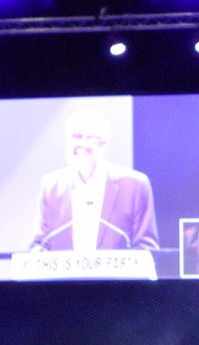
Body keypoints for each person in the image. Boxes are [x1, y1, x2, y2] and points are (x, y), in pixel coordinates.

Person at [30, 108, 159, 252]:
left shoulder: (134, 185)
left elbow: (146, 248)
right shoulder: (51, 186)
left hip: (115, 275)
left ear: (103, 144)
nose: (77, 145)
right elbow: (40, 245)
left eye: (84, 138)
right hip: (66, 275)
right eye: (73, 137)